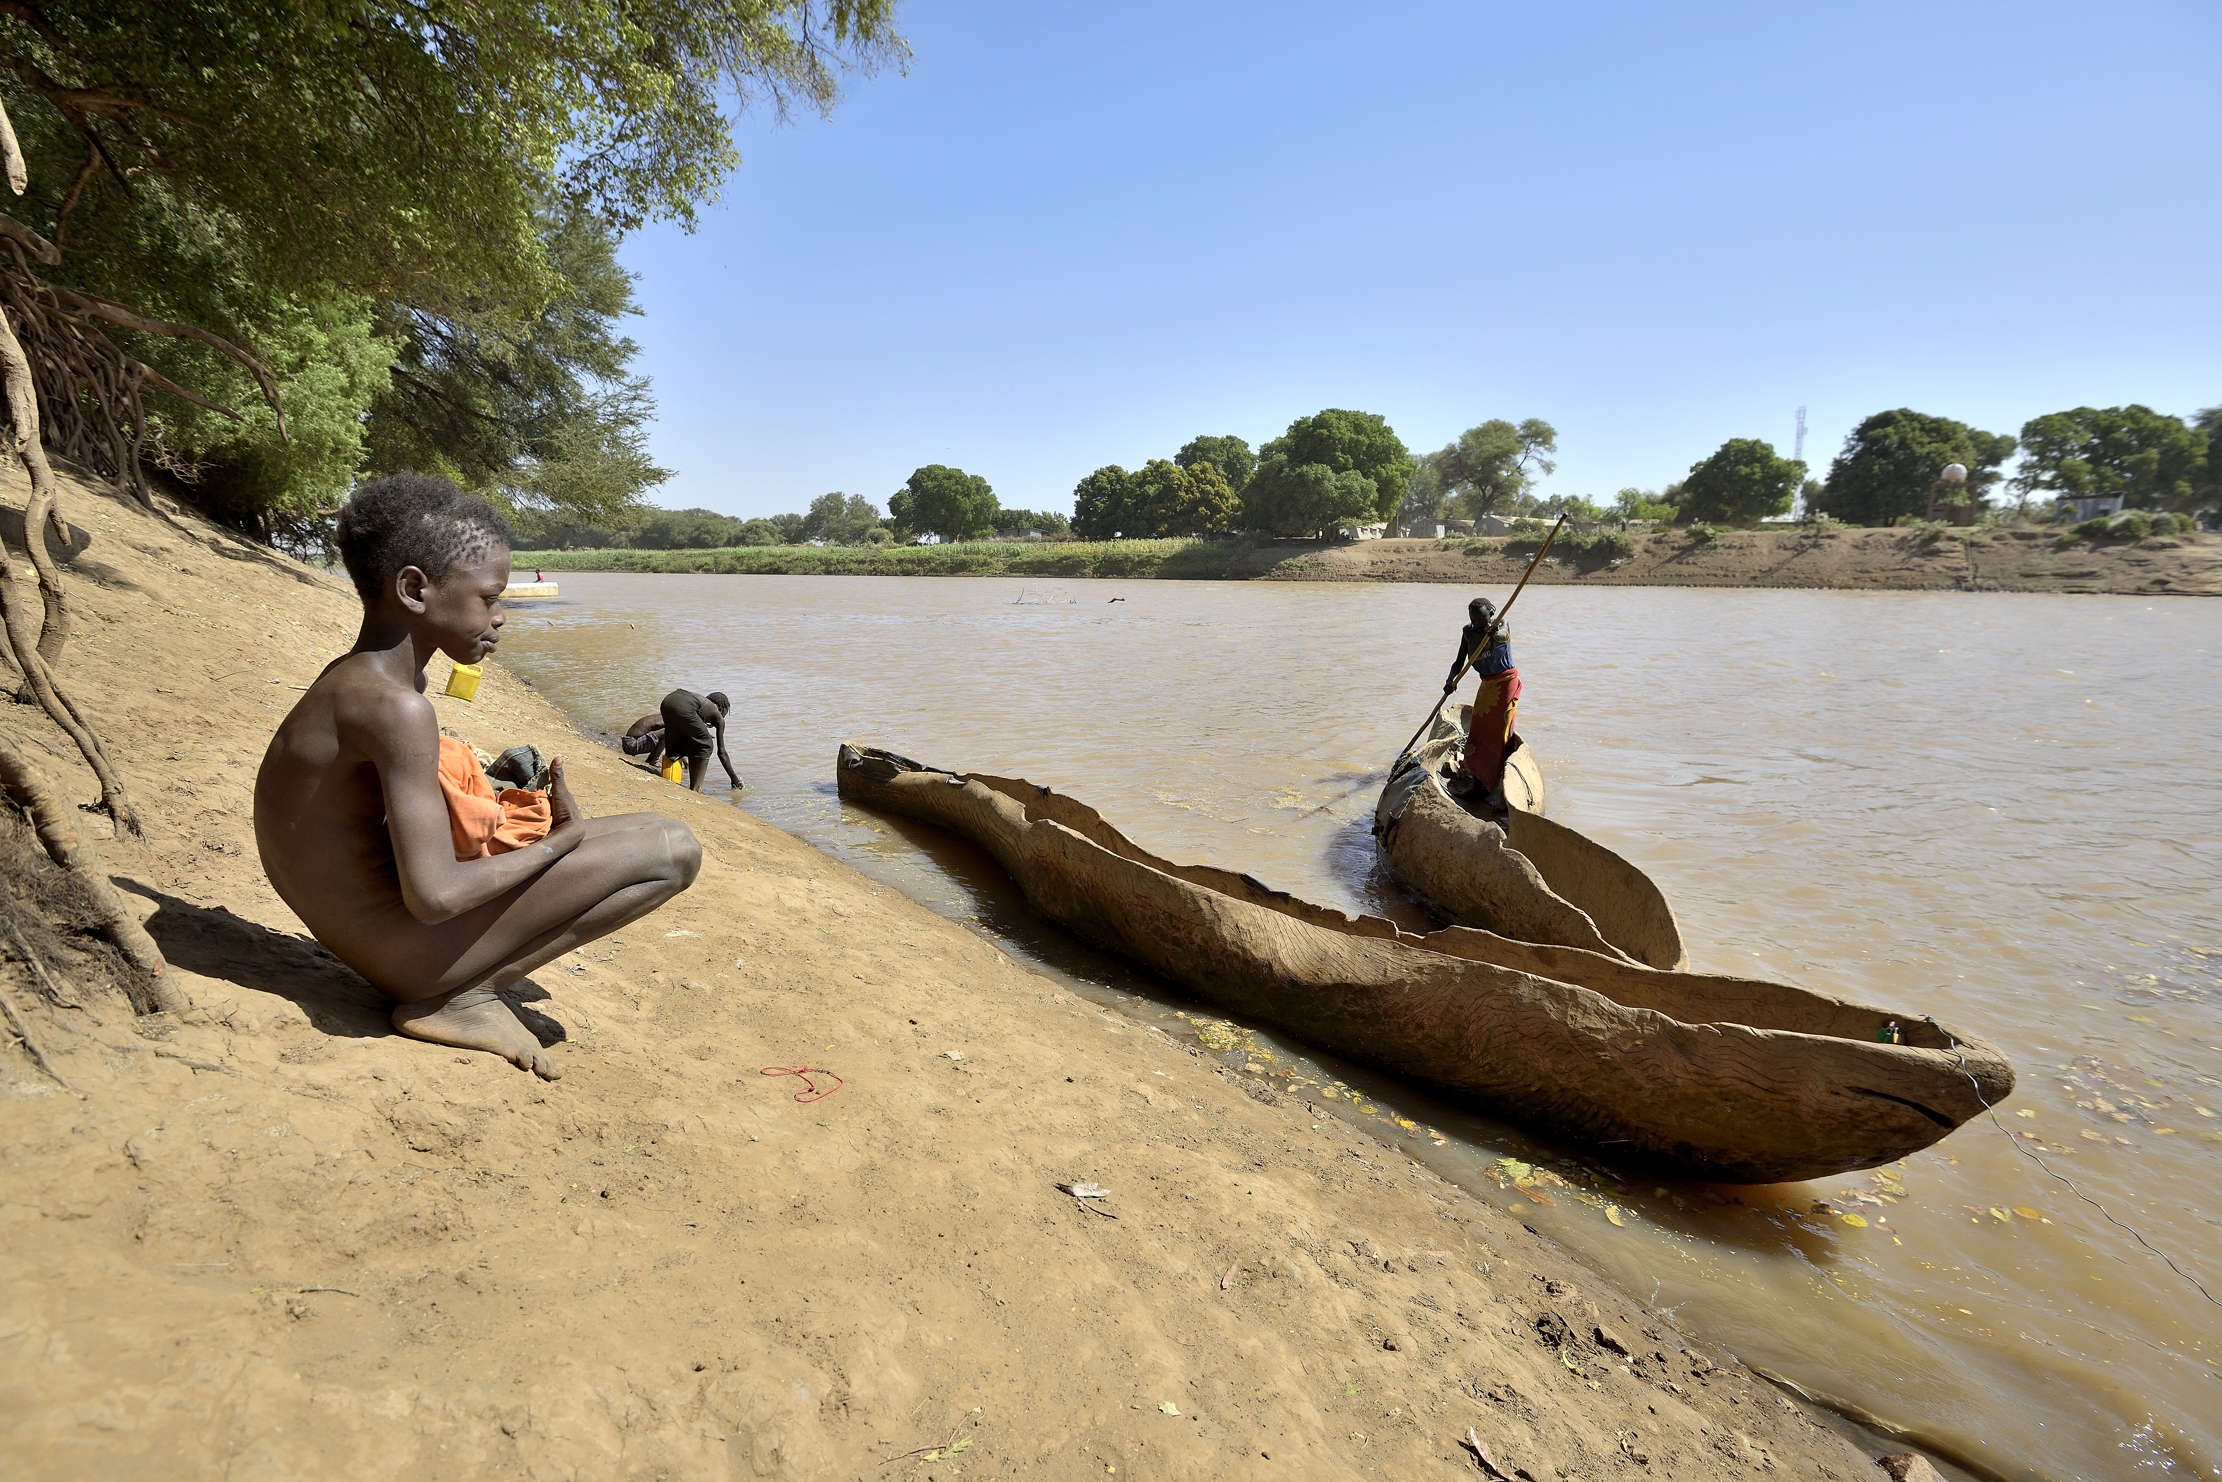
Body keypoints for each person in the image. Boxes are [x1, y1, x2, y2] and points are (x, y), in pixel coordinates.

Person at [254, 472, 702, 1079]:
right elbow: (436, 899)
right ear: (416, 590)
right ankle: (461, 996)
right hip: (400, 952)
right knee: (674, 850)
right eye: (489, 599)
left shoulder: (362, 678)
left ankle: (464, 980)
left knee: (652, 824)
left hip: (369, 931)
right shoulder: (397, 708)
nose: (500, 617)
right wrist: (562, 842)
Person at [1441, 595, 1521, 804]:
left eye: (1482, 620)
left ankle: (1505, 789)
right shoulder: (1468, 633)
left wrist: (1492, 632)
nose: (1478, 624)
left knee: (1502, 733)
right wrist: (1451, 680)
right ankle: (1478, 785)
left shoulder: (1500, 625)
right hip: (1487, 685)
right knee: (1477, 732)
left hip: (1506, 682)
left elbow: (1503, 636)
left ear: (1491, 615)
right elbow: (1459, 661)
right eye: (1474, 620)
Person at [658, 687, 743, 792]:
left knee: (690, 744)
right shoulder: (717, 715)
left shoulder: (702, 708)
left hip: (668, 701)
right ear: (722, 708)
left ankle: (673, 782)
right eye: (726, 712)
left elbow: (691, 744)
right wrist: (734, 779)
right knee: (706, 745)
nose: (724, 716)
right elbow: (722, 752)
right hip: (684, 705)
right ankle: (697, 789)